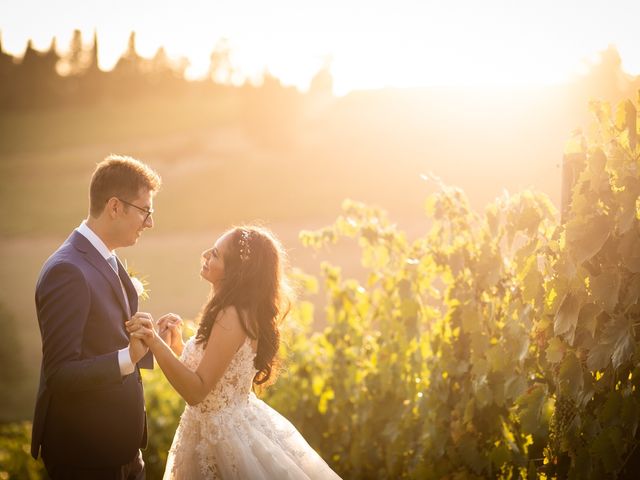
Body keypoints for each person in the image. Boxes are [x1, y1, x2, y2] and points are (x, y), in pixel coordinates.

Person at [127, 226, 342, 479]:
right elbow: (217, 373)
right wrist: (177, 346)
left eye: (216, 254)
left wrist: (153, 341)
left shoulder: (232, 314)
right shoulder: (233, 310)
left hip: (222, 440)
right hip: (210, 429)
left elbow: (197, 392)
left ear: (236, 272)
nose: (205, 254)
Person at [31, 154, 162, 479]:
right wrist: (126, 357)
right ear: (115, 207)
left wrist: (149, 339)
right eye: (145, 211)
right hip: (86, 456)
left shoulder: (108, 258)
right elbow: (59, 374)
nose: (150, 223)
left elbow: (109, 335)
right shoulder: (68, 270)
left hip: (123, 451)